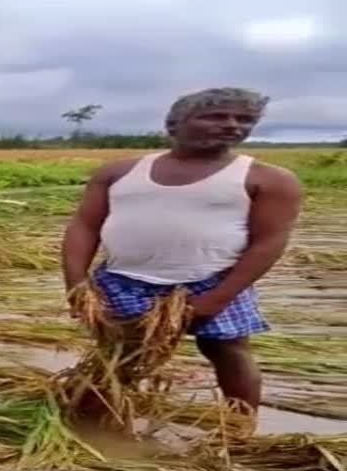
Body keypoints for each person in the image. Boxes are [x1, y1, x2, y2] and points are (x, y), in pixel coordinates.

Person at [61, 87, 302, 415]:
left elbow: (268, 243)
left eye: (244, 119)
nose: (232, 125)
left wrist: (218, 297)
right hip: (124, 281)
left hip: (213, 282)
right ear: (173, 125)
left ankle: (239, 427)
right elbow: (84, 227)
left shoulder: (269, 179)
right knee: (118, 352)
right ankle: (100, 419)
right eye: (215, 116)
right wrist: (77, 284)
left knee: (228, 350)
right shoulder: (118, 172)